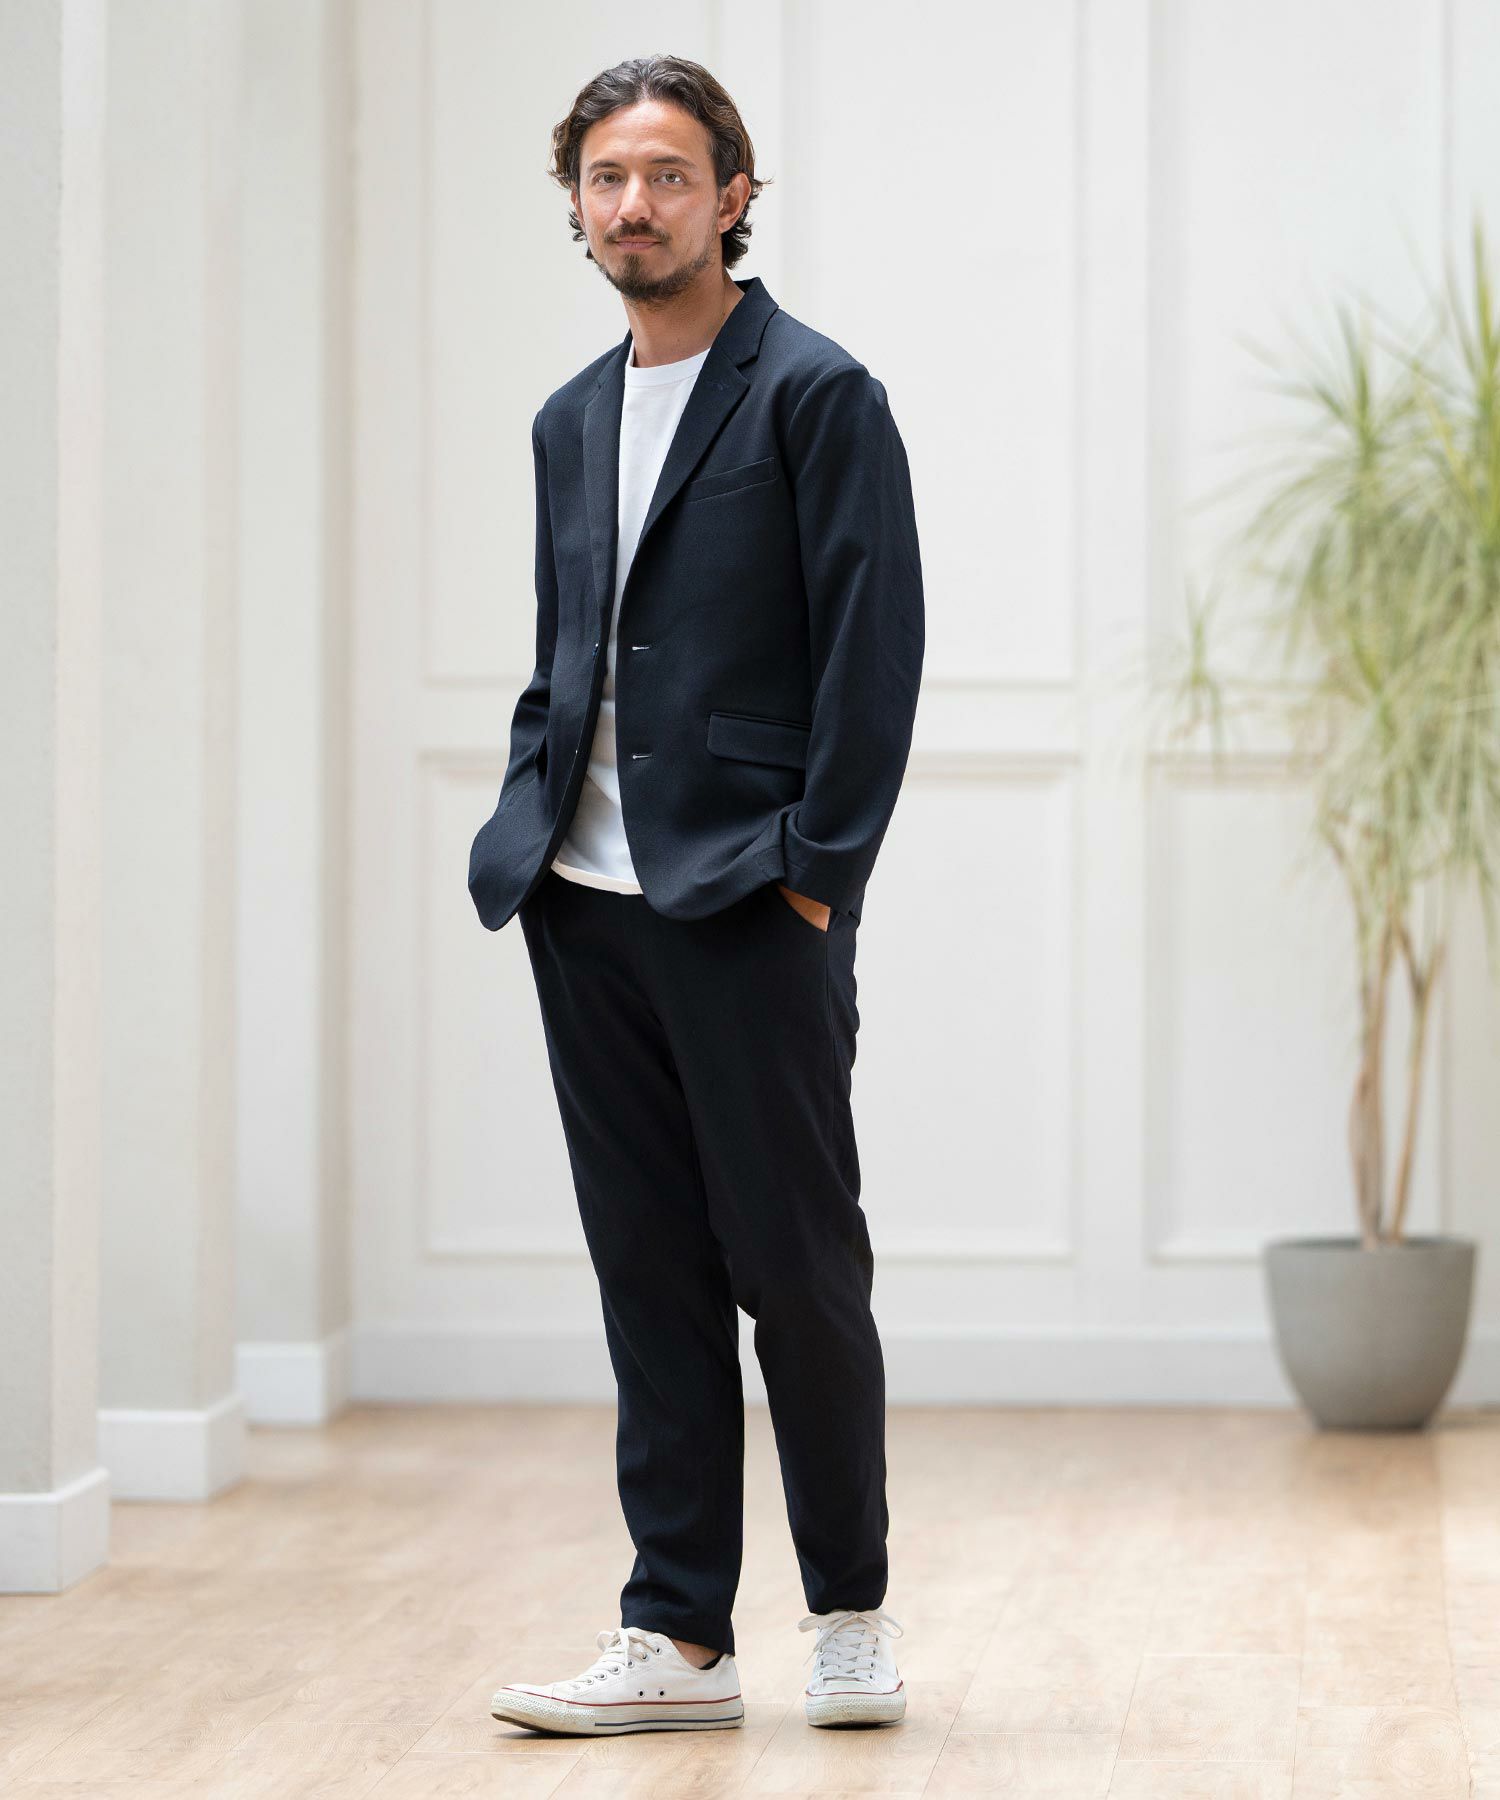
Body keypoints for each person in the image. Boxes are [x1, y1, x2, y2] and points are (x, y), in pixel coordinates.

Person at [470, 52, 924, 1737]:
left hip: (748, 899)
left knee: (795, 1267)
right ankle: (678, 1636)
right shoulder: (567, 418)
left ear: (732, 197)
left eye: (668, 175)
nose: (635, 204)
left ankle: (851, 1610)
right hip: (584, 903)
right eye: (607, 177)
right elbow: (569, 650)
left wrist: (817, 882)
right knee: (646, 1272)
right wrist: (529, 823)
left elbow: (874, 656)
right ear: (576, 206)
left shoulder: (817, 394)